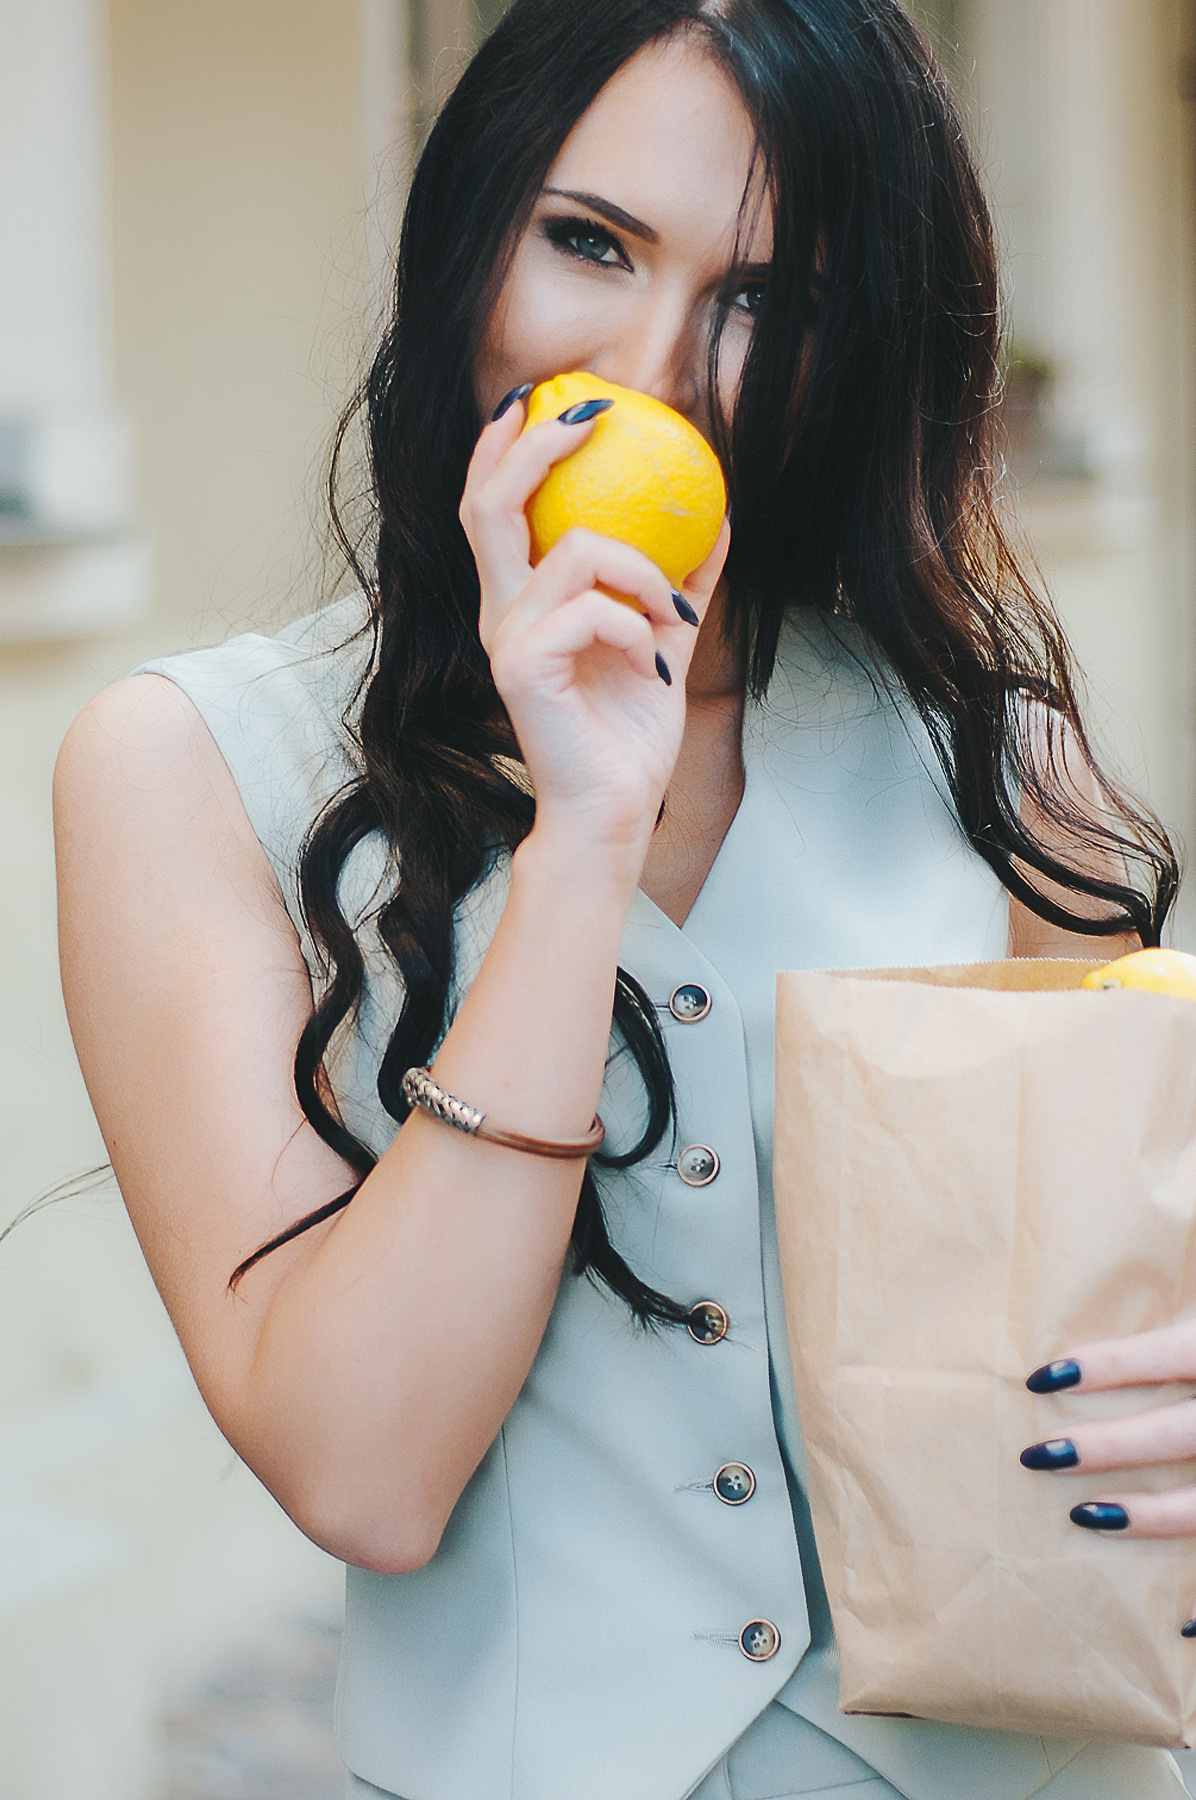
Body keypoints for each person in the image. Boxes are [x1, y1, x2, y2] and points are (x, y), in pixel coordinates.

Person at [53, 2, 1192, 1796]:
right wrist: (584, 835)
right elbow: (363, 1470)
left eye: (770, 300)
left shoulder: (1001, 763)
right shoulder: (189, 771)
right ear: (471, 235)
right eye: (589, 244)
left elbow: (1138, 1271)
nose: (657, 368)